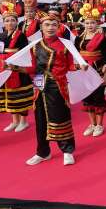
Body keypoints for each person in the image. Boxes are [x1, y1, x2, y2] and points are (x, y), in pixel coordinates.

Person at [15, 14, 87, 166]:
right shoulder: (35, 45)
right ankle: (43, 152)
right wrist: (16, 68)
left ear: (59, 27)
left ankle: (67, 151)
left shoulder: (66, 45)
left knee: (61, 117)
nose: (50, 28)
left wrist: (79, 66)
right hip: (40, 86)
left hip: (58, 86)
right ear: (41, 27)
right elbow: (33, 68)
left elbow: (69, 66)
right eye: (47, 24)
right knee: (40, 119)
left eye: (54, 24)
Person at [0, 8, 33, 132]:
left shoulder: (21, 36)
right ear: (3, 22)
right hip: (4, 66)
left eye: (12, 20)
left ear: (17, 22)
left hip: (17, 67)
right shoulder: (0, 36)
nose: (10, 23)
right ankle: (14, 121)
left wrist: (14, 64)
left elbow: (25, 52)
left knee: (19, 95)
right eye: (7, 21)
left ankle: (23, 121)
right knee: (9, 95)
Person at [74, 6, 106, 137]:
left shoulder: (102, 38)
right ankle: (92, 124)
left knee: (98, 97)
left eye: (92, 22)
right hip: (84, 70)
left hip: (97, 69)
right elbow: (77, 54)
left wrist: (105, 70)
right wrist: (78, 65)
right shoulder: (79, 38)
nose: (90, 25)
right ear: (84, 23)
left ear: (97, 23)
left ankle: (100, 125)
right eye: (87, 23)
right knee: (87, 98)